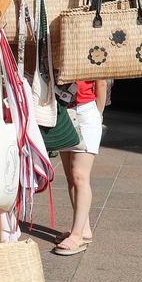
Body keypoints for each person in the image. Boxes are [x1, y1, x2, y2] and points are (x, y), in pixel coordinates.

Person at [53, 79, 109, 255]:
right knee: (71, 177)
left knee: (79, 176)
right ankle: (83, 229)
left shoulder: (89, 54)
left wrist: (98, 114)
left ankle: (77, 235)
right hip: (63, 111)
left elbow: (101, 84)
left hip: (85, 112)